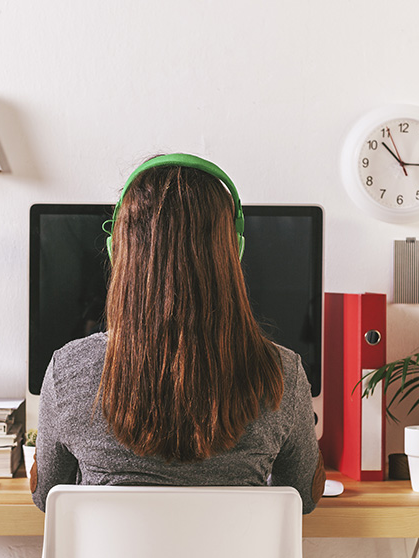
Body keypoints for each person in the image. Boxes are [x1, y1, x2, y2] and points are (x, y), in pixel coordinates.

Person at [30, 154, 324, 513]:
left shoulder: (68, 370)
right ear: (235, 250)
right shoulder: (283, 372)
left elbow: (46, 497)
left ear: (116, 248)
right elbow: (305, 498)